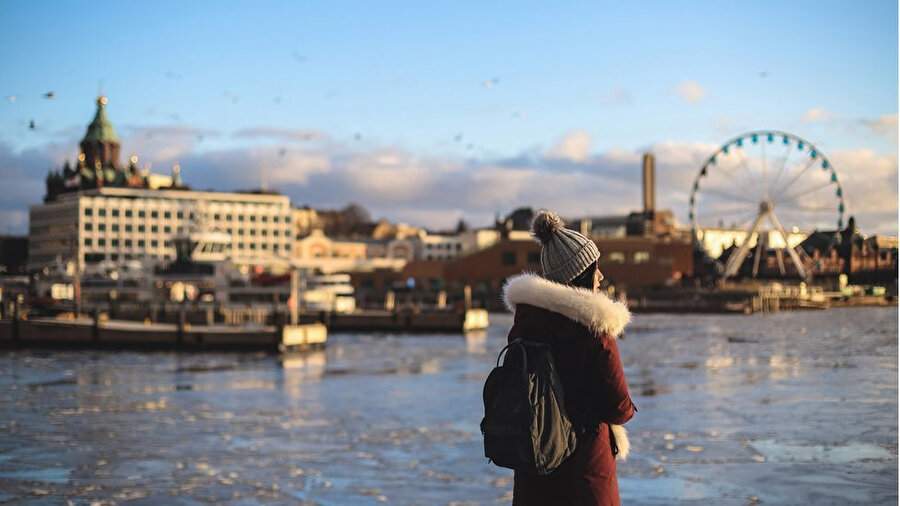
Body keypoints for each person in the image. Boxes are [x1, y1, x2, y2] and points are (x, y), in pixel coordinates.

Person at [501, 209, 635, 506]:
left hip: (534, 467)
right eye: (594, 267)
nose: (600, 275)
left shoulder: (525, 324)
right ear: (580, 275)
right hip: (584, 473)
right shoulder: (595, 327)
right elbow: (619, 407)